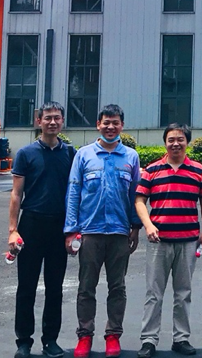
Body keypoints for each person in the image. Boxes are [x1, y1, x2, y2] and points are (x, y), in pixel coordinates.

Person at [65, 104, 141, 358]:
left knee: (117, 287)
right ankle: (84, 336)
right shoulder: (84, 155)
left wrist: (135, 227)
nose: (110, 127)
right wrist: (71, 230)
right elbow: (73, 192)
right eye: (106, 122)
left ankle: (113, 336)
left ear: (122, 126)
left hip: (119, 232)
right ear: (98, 124)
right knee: (86, 287)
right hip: (90, 232)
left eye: (115, 122)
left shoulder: (130, 157)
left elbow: (135, 195)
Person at [135, 123, 202, 358]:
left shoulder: (198, 170)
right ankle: (149, 340)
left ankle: (181, 338)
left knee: (183, 292)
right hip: (159, 242)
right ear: (165, 142)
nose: (176, 143)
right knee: (153, 293)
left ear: (187, 142)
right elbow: (140, 201)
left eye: (180, 139)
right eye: (171, 140)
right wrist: (148, 225)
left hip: (188, 240)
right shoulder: (152, 170)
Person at [8, 103, 75, 358]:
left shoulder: (70, 154)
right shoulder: (26, 154)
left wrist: (74, 230)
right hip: (31, 224)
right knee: (26, 286)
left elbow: (76, 193)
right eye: (48, 118)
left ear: (62, 121)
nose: (52, 122)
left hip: (59, 226)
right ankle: (24, 342)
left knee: (55, 287)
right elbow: (16, 194)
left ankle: (50, 341)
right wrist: (13, 230)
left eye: (57, 118)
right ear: (39, 121)